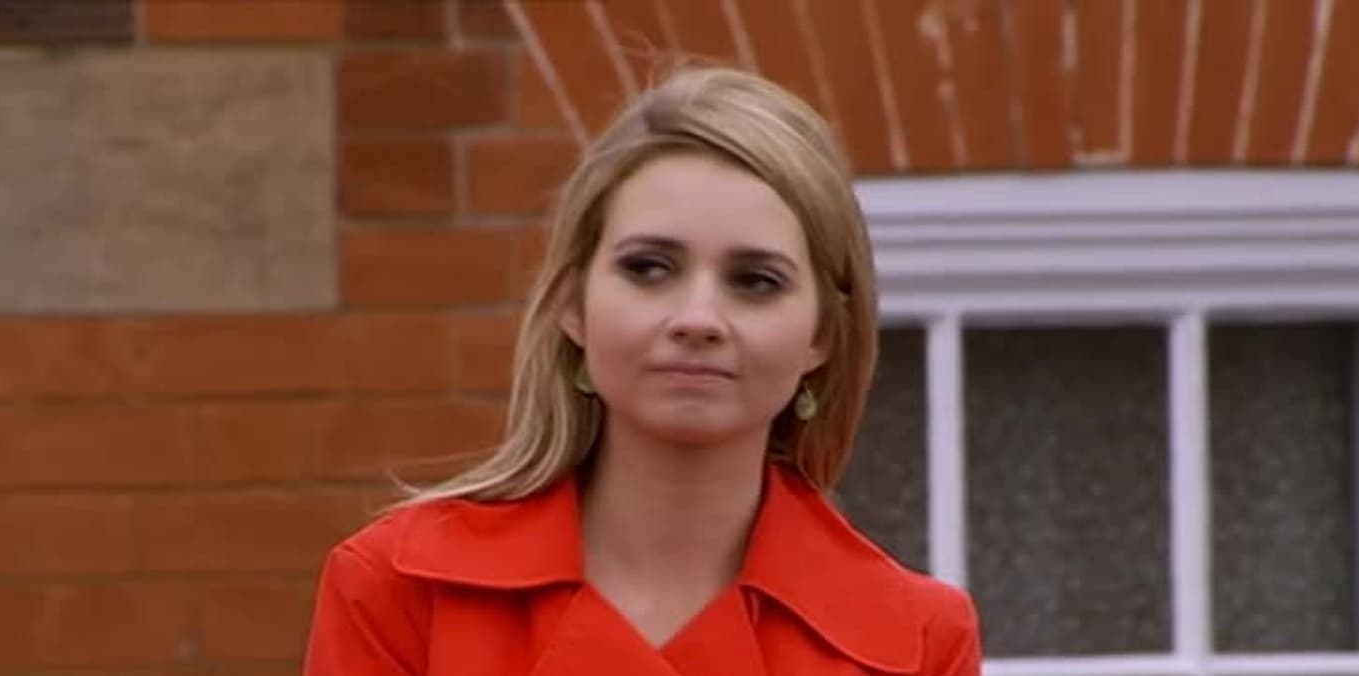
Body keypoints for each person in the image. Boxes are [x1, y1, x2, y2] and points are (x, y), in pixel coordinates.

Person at [302, 65, 983, 675]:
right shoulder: (400, 591)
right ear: (572, 303)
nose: (698, 318)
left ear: (824, 335)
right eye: (649, 269)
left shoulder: (918, 642)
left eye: (756, 281)